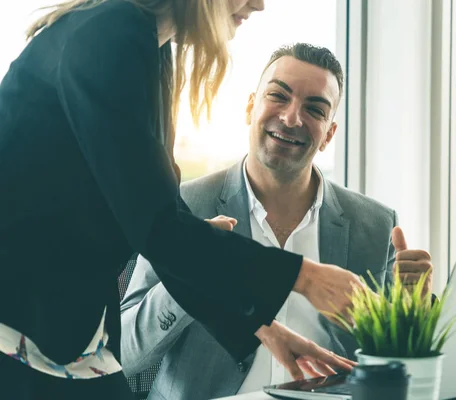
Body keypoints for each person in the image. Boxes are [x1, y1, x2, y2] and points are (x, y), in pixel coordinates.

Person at [0, 2, 362, 399]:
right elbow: (157, 227)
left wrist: (263, 328)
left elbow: (159, 216)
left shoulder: (147, 45)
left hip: (62, 333)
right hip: (24, 333)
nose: (259, 4)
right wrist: (304, 277)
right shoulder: (113, 34)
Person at [120, 43, 434, 400]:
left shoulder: (375, 225)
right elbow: (125, 353)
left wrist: (409, 312)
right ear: (250, 106)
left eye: (314, 109)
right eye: (278, 96)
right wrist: (195, 267)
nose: (291, 118)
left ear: (329, 134)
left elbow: (386, 367)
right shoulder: (183, 206)